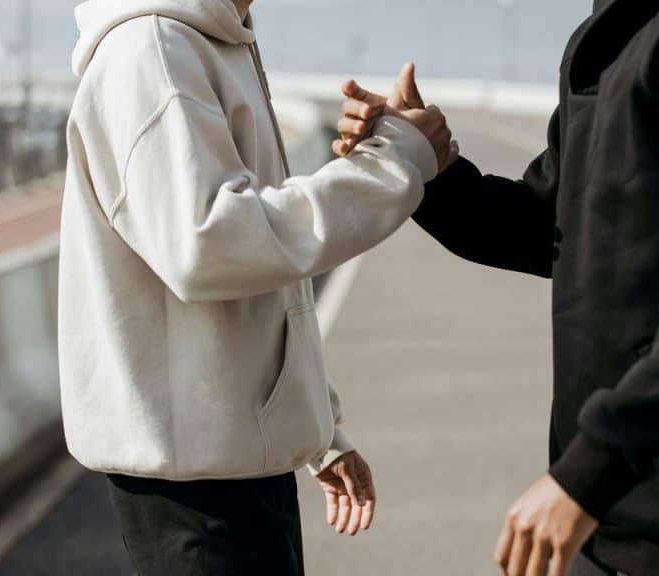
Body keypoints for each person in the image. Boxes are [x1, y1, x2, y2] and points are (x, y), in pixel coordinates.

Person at [335, 0, 659, 574]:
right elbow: (549, 225)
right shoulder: (618, 32)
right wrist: (424, 170)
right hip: (618, 504)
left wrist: (591, 469)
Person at [58, 0, 453, 573]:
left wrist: (317, 427)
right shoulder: (152, 51)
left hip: (237, 470)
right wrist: (393, 163)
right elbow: (209, 245)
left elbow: (262, 269)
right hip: (195, 493)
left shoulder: (212, 42)